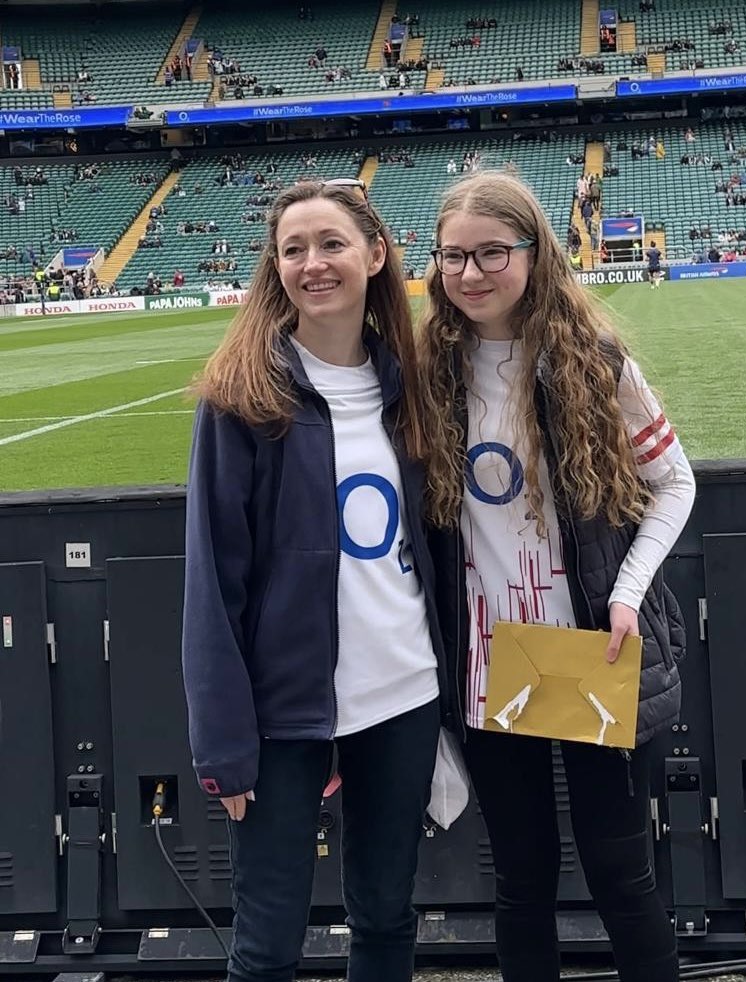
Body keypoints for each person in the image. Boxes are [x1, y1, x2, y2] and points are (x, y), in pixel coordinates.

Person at [416, 171, 695, 982]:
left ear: (535, 253)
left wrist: (626, 592)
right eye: (453, 257)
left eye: (492, 253)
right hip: (491, 662)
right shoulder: (427, 372)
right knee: (522, 881)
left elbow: (674, 481)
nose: (470, 274)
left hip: (582, 654)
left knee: (622, 876)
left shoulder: (593, 363)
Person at [182, 179, 450, 982]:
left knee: (385, 918)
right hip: (284, 712)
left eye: (330, 244)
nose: (312, 263)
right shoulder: (242, 395)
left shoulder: (410, 384)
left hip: (402, 693)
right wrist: (223, 743)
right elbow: (212, 580)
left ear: (374, 255)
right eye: (293, 248)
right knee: (266, 946)